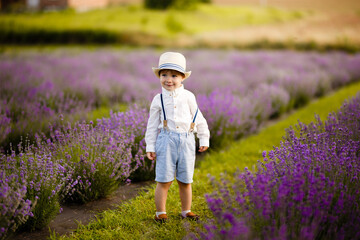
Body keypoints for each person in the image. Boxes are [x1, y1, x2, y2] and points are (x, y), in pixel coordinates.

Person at [145, 52, 210, 223]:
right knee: (164, 180)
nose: (168, 79)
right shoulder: (157, 99)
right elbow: (152, 126)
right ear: (159, 76)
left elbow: (198, 118)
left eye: (174, 75)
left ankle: (186, 210)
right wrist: (150, 146)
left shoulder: (189, 96)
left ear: (182, 78)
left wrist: (203, 138)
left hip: (187, 140)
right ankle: (160, 213)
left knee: (185, 180)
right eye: (164, 75)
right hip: (166, 141)